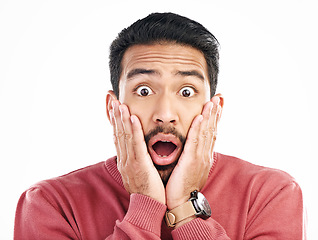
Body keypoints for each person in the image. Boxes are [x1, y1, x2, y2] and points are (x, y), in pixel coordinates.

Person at [14, 12, 306, 239]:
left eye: (187, 91)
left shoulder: (271, 194)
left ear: (214, 110)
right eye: (143, 90)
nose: (165, 114)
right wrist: (145, 203)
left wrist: (185, 210)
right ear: (112, 107)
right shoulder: (50, 204)